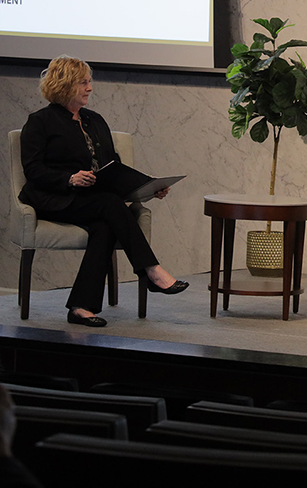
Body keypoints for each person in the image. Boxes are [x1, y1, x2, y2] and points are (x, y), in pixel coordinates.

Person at [18, 56, 189, 328]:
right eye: (83, 82)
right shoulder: (40, 121)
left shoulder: (94, 120)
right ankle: (151, 270)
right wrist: (70, 179)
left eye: (89, 82)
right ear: (64, 84)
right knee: (109, 205)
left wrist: (147, 187)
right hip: (55, 198)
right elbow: (33, 169)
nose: (89, 88)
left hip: (92, 200)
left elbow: (113, 167)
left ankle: (80, 307)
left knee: (105, 226)